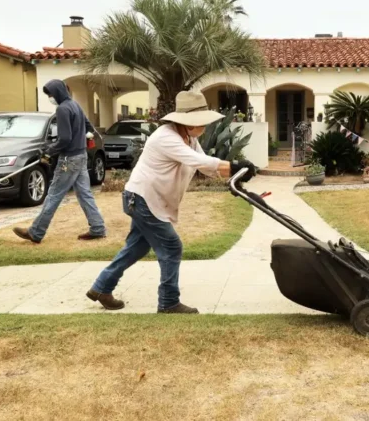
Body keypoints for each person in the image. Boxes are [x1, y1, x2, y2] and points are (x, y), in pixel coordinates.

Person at [86, 91, 256, 313]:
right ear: (186, 121)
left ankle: (101, 287)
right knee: (172, 246)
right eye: (200, 120)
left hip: (146, 199)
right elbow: (198, 160)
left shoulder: (190, 139)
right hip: (142, 199)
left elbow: (205, 166)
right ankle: (168, 302)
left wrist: (236, 175)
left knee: (136, 248)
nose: (204, 124)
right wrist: (234, 165)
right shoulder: (166, 137)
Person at [13, 79, 106, 243]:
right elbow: (89, 127)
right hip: (81, 156)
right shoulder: (75, 105)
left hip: (69, 159)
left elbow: (64, 139)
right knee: (85, 194)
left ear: (57, 92)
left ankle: (36, 232)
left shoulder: (62, 109)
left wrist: (49, 151)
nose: (50, 97)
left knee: (54, 195)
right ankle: (98, 228)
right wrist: (85, 137)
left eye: (50, 94)